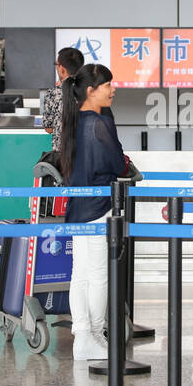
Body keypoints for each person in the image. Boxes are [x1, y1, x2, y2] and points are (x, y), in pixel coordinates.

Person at [60, 63, 124, 361]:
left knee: (80, 274)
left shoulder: (73, 123)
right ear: (91, 91)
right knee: (98, 275)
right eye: (108, 85)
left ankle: (82, 337)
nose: (113, 89)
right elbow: (117, 164)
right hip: (99, 207)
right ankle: (96, 336)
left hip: (77, 207)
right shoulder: (100, 124)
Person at [42, 46, 85, 153]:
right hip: (86, 151)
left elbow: (49, 128)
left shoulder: (53, 93)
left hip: (62, 154)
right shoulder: (89, 91)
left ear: (62, 69)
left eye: (57, 65)